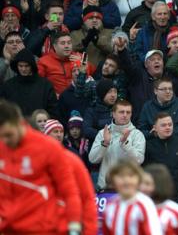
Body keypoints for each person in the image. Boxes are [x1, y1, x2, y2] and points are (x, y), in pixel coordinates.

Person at [0, 100, 82, 234]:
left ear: (20, 124)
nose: (4, 141)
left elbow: (70, 192)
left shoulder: (49, 148)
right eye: (0, 136)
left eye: (8, 135)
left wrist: (74, 229)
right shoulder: (2, 148)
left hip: (44, 229)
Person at [42, 118, 98, 235]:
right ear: (46, 134)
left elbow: (85, 192)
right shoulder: (37, 156)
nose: (58, 135)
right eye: (55, 132)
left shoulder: (72, 155)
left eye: (60, 132)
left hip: (67, 215)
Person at [143, 113, 178, 209]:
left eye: (170, 124)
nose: (168, 127)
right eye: (163, 125)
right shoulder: (148, 146)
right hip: (156, 197)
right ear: (155, 127)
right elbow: (145, 172)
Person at [89, 100, 146, 189]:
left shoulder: (137, 134)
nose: (125, 115)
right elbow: (92, 159)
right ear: (113, 114)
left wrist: (125, 144)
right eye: (121, 112)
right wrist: (105, 143)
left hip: (128, 186)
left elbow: (139, 160)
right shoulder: (103, 133)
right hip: (105, 185)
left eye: (128, 112)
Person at [102, 159, 163, 235]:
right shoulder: (110, 206)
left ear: (139, 179)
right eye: (121, 176)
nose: (126, 181)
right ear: (112, 180)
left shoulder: (144, 204)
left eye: (131, 176)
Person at [0, 48, 58, 118]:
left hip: (39, 127)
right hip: (16, 126)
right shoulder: (8, 86)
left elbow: (53, 110)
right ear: (16, 66)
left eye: (26, 66)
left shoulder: (45, 85)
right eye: (20, 66)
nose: (23, 69)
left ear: (32, 66)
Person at [143, 164, 178, 235]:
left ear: (159, 185)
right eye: (141, 183)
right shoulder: (135, 208)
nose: (143, 187)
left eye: (147, 184)